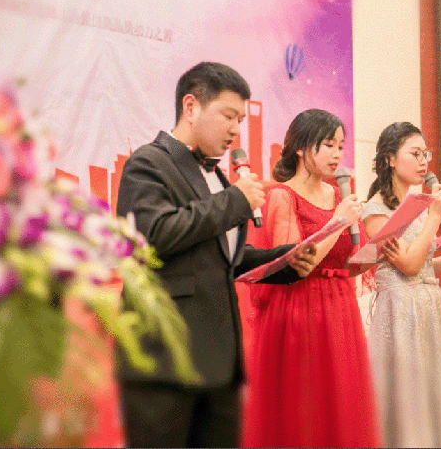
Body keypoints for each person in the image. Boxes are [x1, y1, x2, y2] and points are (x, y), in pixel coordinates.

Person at [115, 62, 317, 448]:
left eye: (240, 120)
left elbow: (221, 258)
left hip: (219, 365)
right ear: (191, 107)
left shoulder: (220, 178)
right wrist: (234, 201)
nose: (235, 130)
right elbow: (153, 237)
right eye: (228, 116)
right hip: (164, 363)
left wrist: (285, 261)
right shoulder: (148, 163)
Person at [244, 109, 381, 448]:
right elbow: (295, 265)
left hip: (340, 308)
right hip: (299, 310)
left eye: (340, 146)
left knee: (341, 406)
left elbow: (349, 263)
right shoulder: (282, 195)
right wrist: (337, 222)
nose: (337, 155)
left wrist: (378, 250)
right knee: (305, 410)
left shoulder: (339, 196)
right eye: (328, 145)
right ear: (301, 148)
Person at [361, 121, 441, 448]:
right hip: (400, 312)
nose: (424, 161)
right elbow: (408, 266)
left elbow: (423, 266)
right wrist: (435, 216)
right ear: (389, 159)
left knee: (433, 397)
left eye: (426, 154)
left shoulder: (420, 204)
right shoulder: (375, 210)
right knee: (405, 400)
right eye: (415, 154)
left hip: (429, 307)